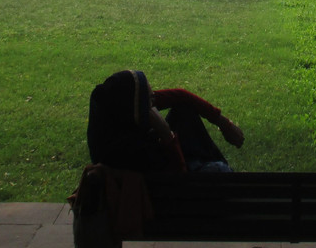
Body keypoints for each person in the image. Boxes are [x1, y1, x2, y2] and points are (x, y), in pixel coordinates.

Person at [86, 70, 244, 173]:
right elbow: (177, 181)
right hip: (176, 188)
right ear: (138, 107)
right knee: (218, 170)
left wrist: (223, 123)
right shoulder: (132, 155)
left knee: (183, 109)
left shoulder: (122, 111)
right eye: (150, 99)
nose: (154, 102)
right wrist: (167, 135)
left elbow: (181, 96)